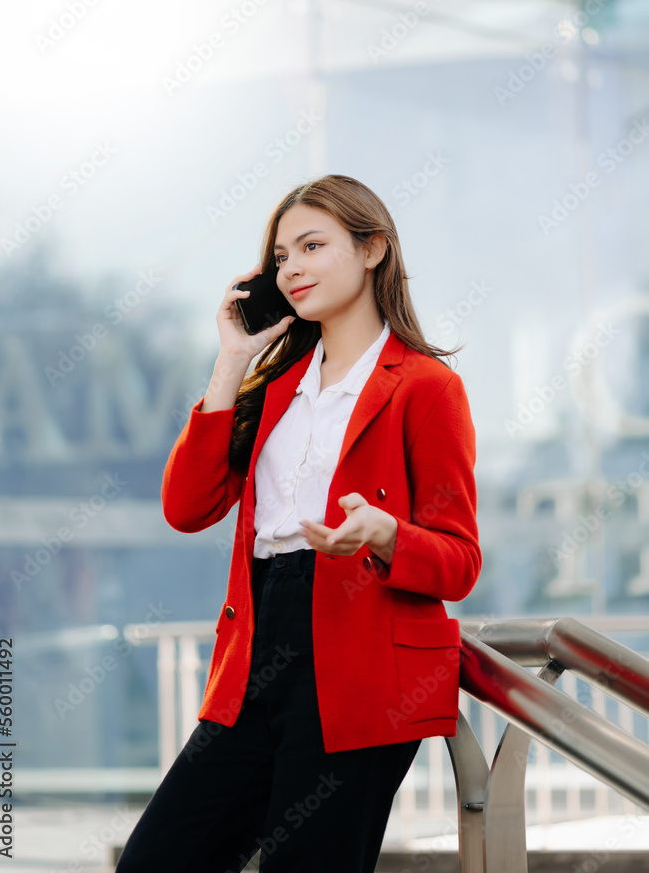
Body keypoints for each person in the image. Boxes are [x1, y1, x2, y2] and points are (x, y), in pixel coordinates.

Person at [116, 174, 481, 872]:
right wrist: (231, 361)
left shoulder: (427, 388)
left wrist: (383, 535)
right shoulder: (273, 388)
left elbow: (460, 560)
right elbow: (186, 508)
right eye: (281, 257)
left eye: (313, 246)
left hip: (360, 667)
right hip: (254, 661)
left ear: (372, 249)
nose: (293, 269)